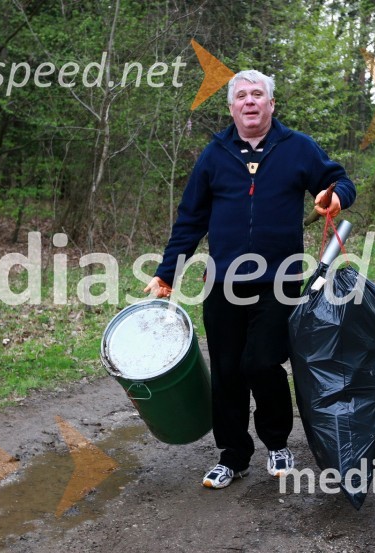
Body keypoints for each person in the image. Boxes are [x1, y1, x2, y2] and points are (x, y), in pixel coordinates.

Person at [144, 70, 356, 489]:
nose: (250, 101)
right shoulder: (215, 154)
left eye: (258, 94)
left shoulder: (298, 148)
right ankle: (233, 456)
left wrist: (334, 196)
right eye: (242, 96)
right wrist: (167, 273)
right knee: (226, 371)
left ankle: (277, 442)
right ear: (231, 108)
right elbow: (191, 219)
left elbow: (341, 181)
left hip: (280, 279)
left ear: (271, 104)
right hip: (223, 281)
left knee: (261, 361)